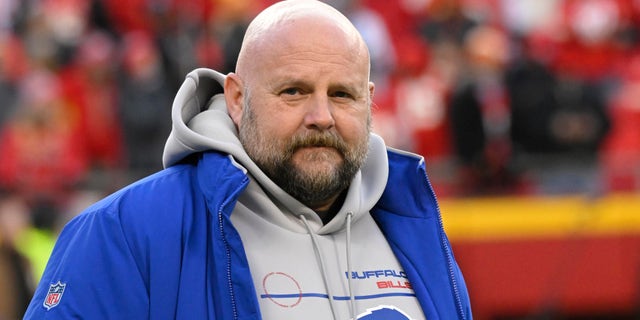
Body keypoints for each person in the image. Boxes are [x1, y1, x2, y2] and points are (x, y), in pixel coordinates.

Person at [23, 1, 472, 319]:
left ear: (369, 102)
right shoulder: (121, 233)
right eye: (293, 91)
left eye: (342, 94)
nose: (321, 117)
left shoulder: (418, 234)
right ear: (236, 99)